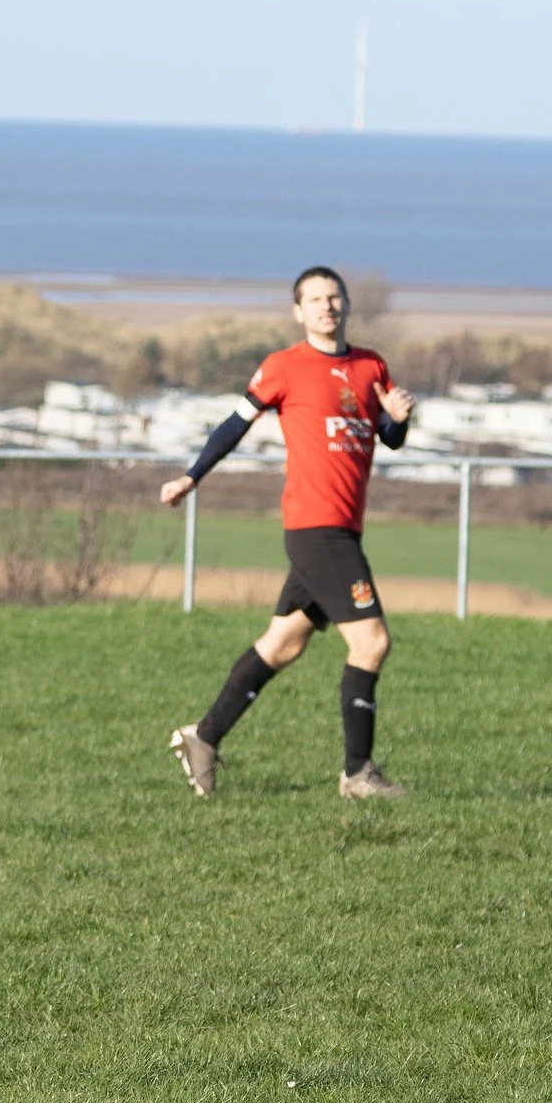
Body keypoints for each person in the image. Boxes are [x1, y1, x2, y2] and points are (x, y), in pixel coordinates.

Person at [159, 267, 416, 799]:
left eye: (334, 297)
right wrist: (191, 476)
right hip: (315, 529)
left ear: (346, 304)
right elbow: (233, 426)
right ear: (298, 311)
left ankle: (202, 738)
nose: (327, 306)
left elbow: (388, 438)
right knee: (371, 642)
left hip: (344, 526)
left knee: (283, 644)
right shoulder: (284, 367)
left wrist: (398, 419)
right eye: (315, 299)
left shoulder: (371, 365)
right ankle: (358, 774)